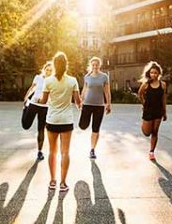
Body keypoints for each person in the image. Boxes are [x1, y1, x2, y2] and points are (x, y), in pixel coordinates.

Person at [39, 52, 82, 192]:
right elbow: (78, 102)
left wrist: (38, 99)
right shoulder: (72, 80)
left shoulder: (48, 81)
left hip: (52, 120)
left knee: (52, 151)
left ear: (54, 64)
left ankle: (52, 181)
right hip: (66, 120)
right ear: (66, 64)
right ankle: (63, 183)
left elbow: (43, 101)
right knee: (65, 152)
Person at [79, 57, 111, 159]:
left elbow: (107, 92)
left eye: (96, 65)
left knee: (95, 129)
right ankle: (85, 125)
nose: (95, 66)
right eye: (93, 65)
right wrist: (80, 101)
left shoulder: (104, 77)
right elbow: (84, 90)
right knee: (83, 126)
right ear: (91, 66)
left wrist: (108, 104)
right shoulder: (87, 77)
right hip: (87, 104)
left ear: (99, 65)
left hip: (99, 106)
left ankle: (92, 150)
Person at [21, 61, 53, 160]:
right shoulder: (38, 78)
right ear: (44, 70)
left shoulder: (53, 81)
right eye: (47, 70)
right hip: (33, 104)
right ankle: (24, 110)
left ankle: (40, 151)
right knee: (26, 125)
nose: (48, 72)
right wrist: (26, 98)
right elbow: (32, 88)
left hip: (45, 107)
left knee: (41, 129)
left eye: (50, 71)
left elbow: (53, 95)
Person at [137, 61, 167, 161]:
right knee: (147, 133)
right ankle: (144, 126)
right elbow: (139, 94)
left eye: (155, 72)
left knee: (155, 132)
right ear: (149, 73)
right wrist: (144, 104)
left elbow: (163, 99)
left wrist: (165, 112)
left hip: (158, 111)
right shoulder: (145, 84)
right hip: (148, 111)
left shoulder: (163, 85)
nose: (153, 74)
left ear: (159, 73)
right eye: (151, 72)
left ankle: (151, 152)